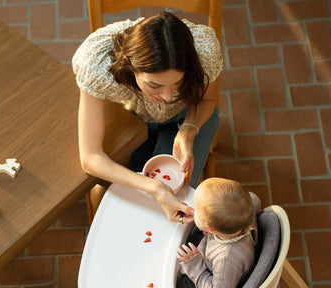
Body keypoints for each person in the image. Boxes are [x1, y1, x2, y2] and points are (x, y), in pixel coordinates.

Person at [72, 11, 223, 223]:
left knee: (175, 197)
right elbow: (91, 158)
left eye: (177, 83)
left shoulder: (203, 51)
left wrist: (189, 129)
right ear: (129, 64)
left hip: (187, 118)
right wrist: (155, 188)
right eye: (155, 85)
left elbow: (206, 102)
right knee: (138, 205)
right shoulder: (96, 65)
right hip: (131, 122)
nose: (168, 96)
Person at [176, 178, 261, 288]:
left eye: (197, 209)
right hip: (209, 247)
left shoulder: (226, 259)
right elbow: (254, 199)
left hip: (208, 284)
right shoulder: (245, 213)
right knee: (190, 239)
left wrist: (195, 266)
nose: (193, 209)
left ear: (211, 228)